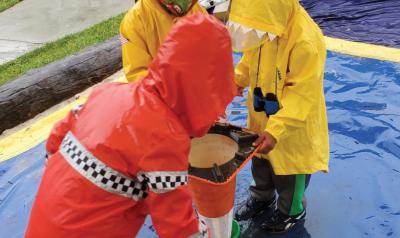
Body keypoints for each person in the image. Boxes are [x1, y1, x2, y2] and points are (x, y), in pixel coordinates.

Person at [25, 14, 236, 238]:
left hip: (44, 220)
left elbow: (56, 138)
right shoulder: (164, 137)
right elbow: (179, 229)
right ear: (205, 90)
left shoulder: (109, 92)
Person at [227, 0, 330, 233]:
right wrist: (236, 80)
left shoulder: (305, 41)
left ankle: (291, 210)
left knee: (289, 174)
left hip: (293, 126)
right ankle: (261, 196)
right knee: (260, 163)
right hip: (262, 115)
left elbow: (302, 95)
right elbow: (250, 57)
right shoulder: (265, 26)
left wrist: (276, 130)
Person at [120, 0, 207, 82]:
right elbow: (136, 76)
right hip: (163, 95)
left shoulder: (196, 9)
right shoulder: (133, 21)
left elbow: (213, 55)